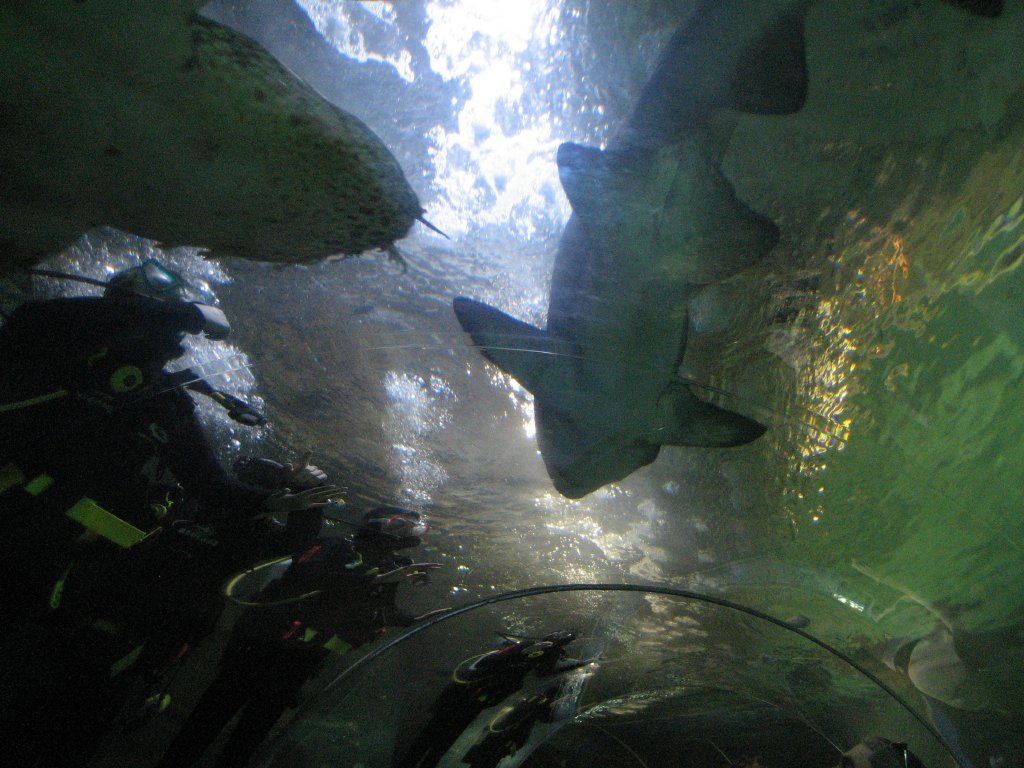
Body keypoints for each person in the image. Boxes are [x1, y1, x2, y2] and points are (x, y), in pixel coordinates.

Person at [0, 260, 340, 766]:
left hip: (71, 564)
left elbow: (211, 486)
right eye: (149, 308)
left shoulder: (167, 402)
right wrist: (163, 309)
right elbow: (32, 318)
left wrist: (278, 502)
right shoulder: (62, 349)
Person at [155, 507, 442, 768]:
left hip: (299, 663)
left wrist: (411, 620)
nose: (402, 534)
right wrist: (372, 579)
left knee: (247, 742)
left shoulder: (390, 571)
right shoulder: (335, 546)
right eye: (399, 524)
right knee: (203, 725)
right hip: (260, 648)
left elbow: (381, 613)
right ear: (377, 525)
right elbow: (306, 575)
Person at [393, 630, 589, 768]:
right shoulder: (522, 648)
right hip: (462, 698)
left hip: (474, 703)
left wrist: (578, 664)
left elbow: (543, 672)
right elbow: (486, 663)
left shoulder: (534, 661)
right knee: (429, 737)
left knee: (441, 743)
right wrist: (521, 650)